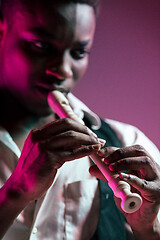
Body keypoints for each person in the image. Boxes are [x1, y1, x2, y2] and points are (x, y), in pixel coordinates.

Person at [0, 0, 160, 239]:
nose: (63, 71)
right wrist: (16, 191)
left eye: (78, 52)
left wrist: (148, 229)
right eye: (41, 46)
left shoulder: (128, 140)